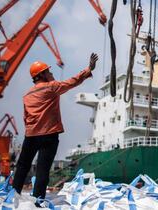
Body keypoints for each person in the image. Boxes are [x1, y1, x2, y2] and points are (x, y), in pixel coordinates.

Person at [13, 53, 98, 202]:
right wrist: (89, 69)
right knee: (42, 169)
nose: (51, 73)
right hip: (48, 135)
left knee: (22, 167)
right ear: (42, 75)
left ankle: (12, 196)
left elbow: (25, 117)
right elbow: (72, 82)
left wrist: (31, 129)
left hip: (31, 135)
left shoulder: (27, 95)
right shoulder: (51, 87)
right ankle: (38, 201)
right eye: (48, 71)